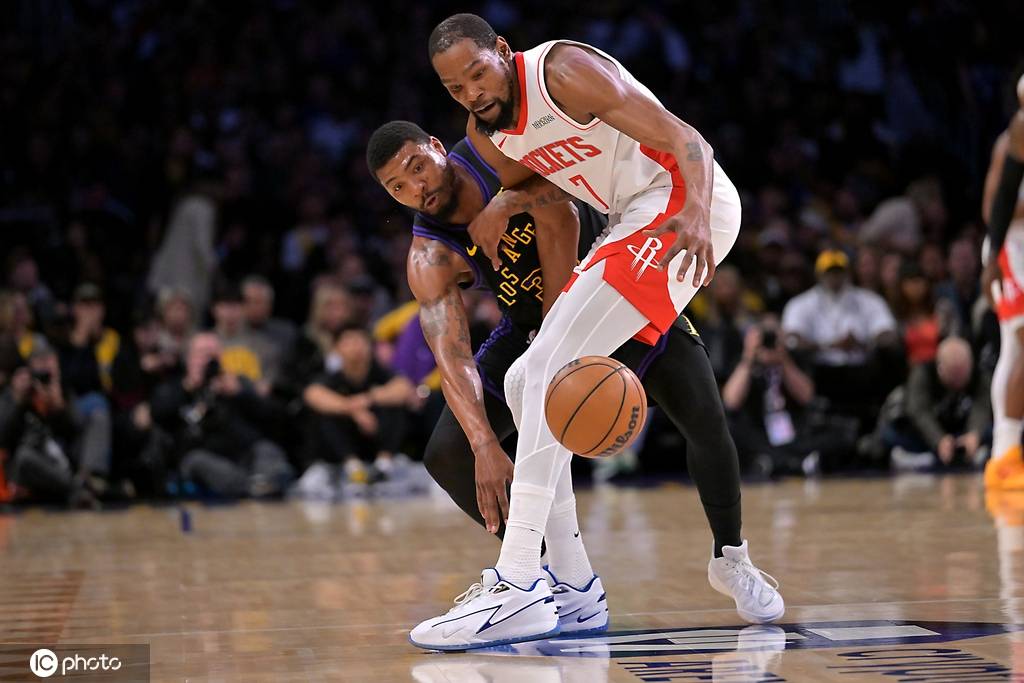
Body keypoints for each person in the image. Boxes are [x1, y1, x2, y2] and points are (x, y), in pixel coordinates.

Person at [420, 12, 776, 646]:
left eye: (478, 73)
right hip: (627, 221)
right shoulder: (486, 132)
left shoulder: (562, 73)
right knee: (527, 380)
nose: (472, 92)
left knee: (553, 370)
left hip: (679, 202)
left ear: (502, 50)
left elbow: (686, 138)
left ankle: (520, 581)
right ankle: (576, 588)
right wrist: (506, 200)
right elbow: (543, 189)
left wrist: (697, 209)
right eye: (455, 87)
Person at [368, 120, 754, 640]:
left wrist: (558, 341)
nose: (417, 187)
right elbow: (452, 355)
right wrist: (484, 445)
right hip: (531, 324)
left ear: (437, 148)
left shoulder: (491, 156)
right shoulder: (429, 253)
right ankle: (560, 578)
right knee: (448, 452)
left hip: (614, 291)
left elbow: (563, 210)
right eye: (398, 187)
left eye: (418, 167)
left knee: (706, 421)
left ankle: (732, 557)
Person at [150, 333, 293, 498]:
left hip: (243, 455)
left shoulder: (236, 383)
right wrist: (188, 388)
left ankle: (264, 483)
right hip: (200, 457)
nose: (207, 361)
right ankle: (254, 486)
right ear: (188, 358)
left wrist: (241, 393)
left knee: (266, 449)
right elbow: (158, 413)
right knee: (199, 461)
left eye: (213, 355)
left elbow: (274, 415)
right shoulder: (175, 386)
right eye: (201, 355)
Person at [303, 324, 414, 488]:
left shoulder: (381, 373)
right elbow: (312, 394)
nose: (356, 347)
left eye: (361, 341)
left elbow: (404, 389)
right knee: (326, 414)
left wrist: (368, 399)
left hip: (376, 436)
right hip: (345, 442)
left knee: (394, 405)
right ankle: (353, 467)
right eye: (349, 342)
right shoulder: (332, 377)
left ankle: (383, 465)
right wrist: (353, 410)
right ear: (337, 348)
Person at [982, 74, 1024, 490]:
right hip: (1012, 248)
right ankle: (1005, 457)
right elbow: (992, 207)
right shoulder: (1013, 137)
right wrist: (992, 260)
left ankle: (1005, 453)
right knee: (1020, 345)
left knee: (1016, 349)